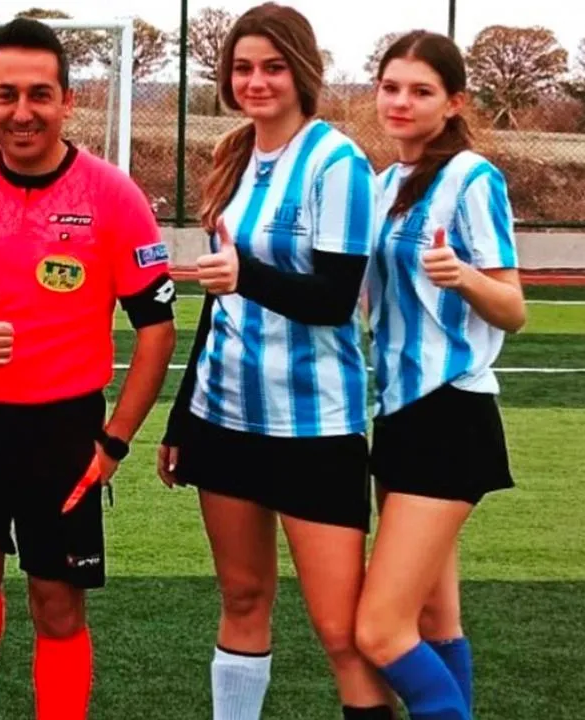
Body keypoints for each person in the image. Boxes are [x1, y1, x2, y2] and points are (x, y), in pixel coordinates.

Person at [0, 17, 178, 720]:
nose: (21, 112)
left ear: (68, 101)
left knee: (57, 604)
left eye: (39, 94)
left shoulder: (113, 195)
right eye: (6, 94)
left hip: (65, 432)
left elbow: (157, 329)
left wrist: (114, 442)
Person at [159, 4, 395, 719]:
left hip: (314, 428)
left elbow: (333, 300)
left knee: (341, 631)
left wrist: (247, 277)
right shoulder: (234, 158)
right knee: (242, 598)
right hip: (224, 418)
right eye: (242, 68)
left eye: (272, 67)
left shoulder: (337, 162)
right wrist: (182, 416)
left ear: (302, 72)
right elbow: (219, 305)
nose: (256, 81)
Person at [356, 30, 525, 720]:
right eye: (391, 87)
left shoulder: (472, 178)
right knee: (433, 619)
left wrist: (464, 277)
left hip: (450, 413)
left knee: (378, 631)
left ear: (453, 103)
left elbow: (513, 309)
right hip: (396, 413)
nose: (401, 102)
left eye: (421, 91)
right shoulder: (381, 185)